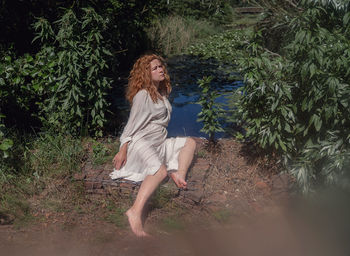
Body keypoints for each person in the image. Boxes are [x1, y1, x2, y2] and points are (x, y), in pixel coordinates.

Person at [110, 54, 196, 237]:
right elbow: (131, 126)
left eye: (160, 66)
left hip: (158, 142)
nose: (160, 69)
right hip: (142, 143)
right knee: (159, 172)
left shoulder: (161, 93)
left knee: (190, 143)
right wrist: (122, 149)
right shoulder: (143, 95)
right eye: (155, 68)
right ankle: (134, 211)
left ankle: (179, 174)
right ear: (146, 74)